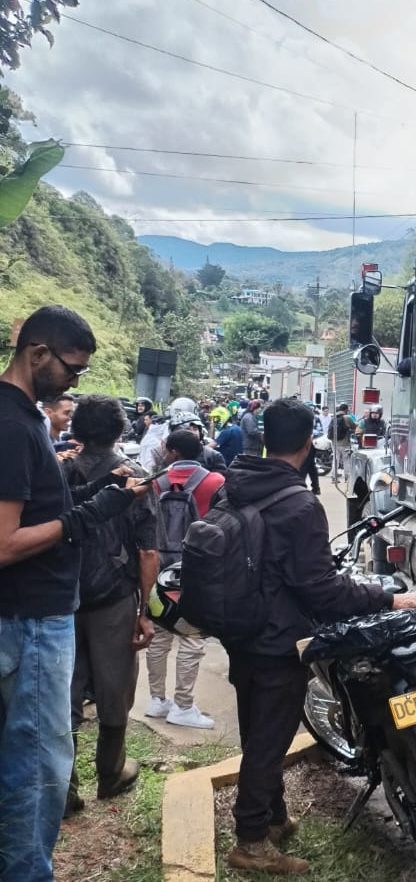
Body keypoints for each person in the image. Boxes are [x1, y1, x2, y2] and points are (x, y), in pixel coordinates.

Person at [219, 398, 416, 873]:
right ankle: (251, 842)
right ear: (305, 442)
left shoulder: (235, 486)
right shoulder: (299, 503)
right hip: (277, 638)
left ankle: (273, 817)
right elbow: (321, 590)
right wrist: (390, 599)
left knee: (257, 727)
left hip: (240, 629)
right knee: (269, 740)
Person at [0, 306, 144, 882]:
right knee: (39, 765)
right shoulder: (12, 426)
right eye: (72, 370)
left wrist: (91, 502)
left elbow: (34, 508)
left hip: (37, 614)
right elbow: (5, 542)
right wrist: (85, 519)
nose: (75, 384)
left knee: (33, 759)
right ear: (37, 354)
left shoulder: (27, 419)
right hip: (30, 621)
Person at [60, 395, 159, 817]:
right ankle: (111, 772)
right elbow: (147, 552)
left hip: (61, 598)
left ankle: (64, 788)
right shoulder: (135, 476)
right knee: (115, 685)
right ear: (121, 430)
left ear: (78, 429)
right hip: (113, 600)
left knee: (62, 693)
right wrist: (144, 611)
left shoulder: (60, 470)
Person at [144, 430, 223, 730]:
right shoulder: (215, 482)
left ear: (174, 452)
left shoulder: (154, 482)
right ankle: (183, 705)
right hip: (194, 569)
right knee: (191, 637)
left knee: (160, 633)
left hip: (157, 567)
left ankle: (156, 700)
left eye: (166, 448)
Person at [327, 403, 353, 483]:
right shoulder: (347, 417)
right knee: (346, 460)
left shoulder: (334, 417)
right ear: (346, 410)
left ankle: (334, 478)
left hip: (334, 442)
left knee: (336, 459)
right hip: (344, 443)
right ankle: (347, 478)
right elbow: (354, 426)